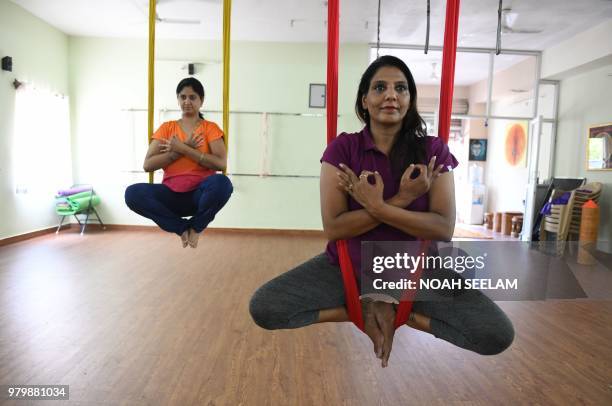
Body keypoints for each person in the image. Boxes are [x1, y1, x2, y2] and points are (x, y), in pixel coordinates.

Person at [249, 56, 514, 367]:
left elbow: (442, 227)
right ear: (365, 100)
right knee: (266, 307)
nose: (391, 95)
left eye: (400, 88)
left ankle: (405, 313)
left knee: (496, 333)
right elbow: (335, 228)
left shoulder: (432, 151)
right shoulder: (343, 149)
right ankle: (361, 308)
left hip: (416, 270)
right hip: (347, 268)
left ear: (410, 100)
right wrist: (402, 198)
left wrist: (375, 206)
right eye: (380, 88)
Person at [125, 77, 233, 248]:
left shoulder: (210, 128)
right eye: (183, 97)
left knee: (223, 183)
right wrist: (177, 151)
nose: (187, 101)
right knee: (132, 194)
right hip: (171, 194)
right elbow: (148, 165)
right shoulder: (167, 128)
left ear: (201, 100)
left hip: (200, 195)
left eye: (192, 97)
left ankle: (196, 227)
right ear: (178, 99)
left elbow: (221, 164)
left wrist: (184, 149)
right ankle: (182, 228)